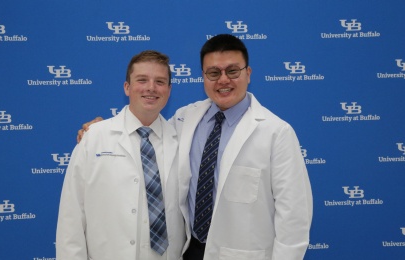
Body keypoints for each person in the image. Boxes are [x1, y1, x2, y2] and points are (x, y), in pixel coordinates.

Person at [78, 34, 313, 260]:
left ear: (248, 73)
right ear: (203, 76)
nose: (223, 80)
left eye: (232, 71)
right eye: (213, 72)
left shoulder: (276, 133)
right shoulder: (184, 120)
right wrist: (99, 130)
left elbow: (294, 218)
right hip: (190, 251)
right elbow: (144, 133)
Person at [56, 50, 187, 260]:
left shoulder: (183, 140)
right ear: (127, 87)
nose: (151, 88)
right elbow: (71, 217)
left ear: (169, 90)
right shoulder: (94, 138)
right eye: (142, 80)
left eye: (160, 81)